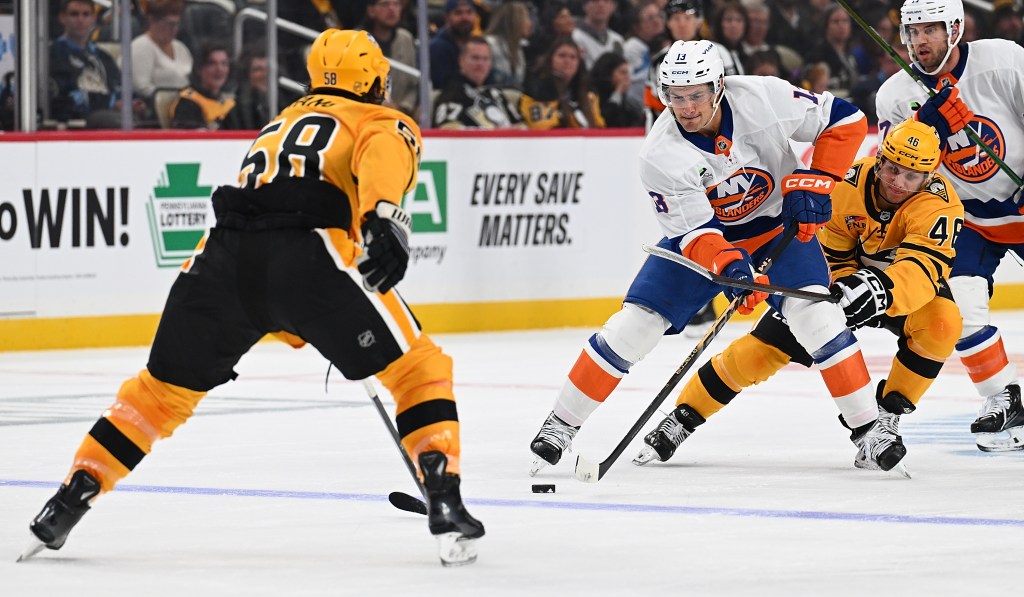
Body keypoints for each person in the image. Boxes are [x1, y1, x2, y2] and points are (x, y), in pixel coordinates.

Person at [20, 29, 484, 567]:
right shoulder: (379, 119)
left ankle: (72, 495)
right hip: (308, 255)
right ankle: (443, 495)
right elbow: (383, 159)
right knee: (417, 371)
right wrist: (386, 219)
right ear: (377, 81)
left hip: (221, 259)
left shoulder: (280, 122)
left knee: (158, 394)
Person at [528, 39, 899, 476]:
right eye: (676, 97)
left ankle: (869, 431)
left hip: (776, 228)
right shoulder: (660, 154)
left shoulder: (763, 96)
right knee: (635, 326)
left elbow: (846, 120)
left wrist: (818, 179)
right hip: (706, 241)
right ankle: (561, 424)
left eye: (696, 96)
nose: (686, 108)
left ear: (718, 86)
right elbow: (696, 234)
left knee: (819, 317)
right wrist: (732, 270)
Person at [634, 118, 964, 470]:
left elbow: (924, 268)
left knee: (943, 324)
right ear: (880, 159)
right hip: (842, 284)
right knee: (760, 352)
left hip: (901, 290)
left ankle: (885, 416)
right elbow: (829, 255)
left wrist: (878, 288)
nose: (898, 182)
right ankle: (683, 417)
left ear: (928, 177)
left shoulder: (940, 205)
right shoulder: (848, 185)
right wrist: (845, 286)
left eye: (911, 176)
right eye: (893, 169)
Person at [876, 0, 1024, 451]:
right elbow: (897, 177)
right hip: (969, 217)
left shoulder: (1003, 60)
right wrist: (927, 127)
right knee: (960, 304)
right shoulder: (895, 95)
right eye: (912, 31)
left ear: (955, 28)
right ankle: (1003, 398)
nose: (919, 41)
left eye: (930, 30)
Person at [49, 0, 143, 128]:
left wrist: (134, 102)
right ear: (62, 17)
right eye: (74, 14)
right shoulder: (54, 54)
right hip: (78, 125)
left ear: (93, 18)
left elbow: (120, 86)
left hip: (112, 120)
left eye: (86, 14)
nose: (80, 20)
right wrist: (111, 104)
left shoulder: (103, 56)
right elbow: (65, 100)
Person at [433, 36, 524, 129]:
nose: (480, 64)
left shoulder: (496, 94)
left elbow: (521, 127)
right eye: (475, 58)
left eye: (485, 59)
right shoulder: (452, 94)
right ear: (461, 61)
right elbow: (447, 130)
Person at [521, 37, 605, 129]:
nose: (567, 61)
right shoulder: (537, 89)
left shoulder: (589, 93)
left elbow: (598, 127)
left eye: (573, 57)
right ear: (550, 59)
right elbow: (543, 127)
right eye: (562, 56)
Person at [131, 0, 192, 117]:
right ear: (151, 20)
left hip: (185, 108)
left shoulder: (181, 48)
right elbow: (141, 88)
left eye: (176, 24)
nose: (173, 29)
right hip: (155, 113)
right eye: (168, 24)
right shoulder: (140, 47)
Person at [360, 0, 418, 118]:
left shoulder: (405, 38)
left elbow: (413, 83)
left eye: (396, 4)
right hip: (365, 114)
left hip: (402, 114)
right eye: (385, 4)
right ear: (371, 11)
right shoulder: (358, 40)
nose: (392, 9)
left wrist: (404, 107)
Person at [170, 43, 239, 130]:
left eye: (224, 63)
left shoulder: (231, 102)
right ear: (199, 69)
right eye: (212, 63)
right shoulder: (187, 102)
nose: (219, 69)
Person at [429, 0, 478, 90]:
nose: (465, 18)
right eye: (458, 13)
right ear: (446, 18)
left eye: (469, 12)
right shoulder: (438, 48)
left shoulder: (478, 45)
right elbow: (442, 86)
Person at [484, 1, 532, 89]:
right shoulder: (489, 45)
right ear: (515, 21)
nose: (530, 24)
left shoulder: (519, 48)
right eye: (526, 18)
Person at [590, 51, 645, 127]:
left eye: (627, 73)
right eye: (622, 73)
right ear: (608, 73)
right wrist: (618, 93)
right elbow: (605, 118)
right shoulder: (593, 93)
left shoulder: (625, 96)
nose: (627, 77)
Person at [572, 0, 625, 70]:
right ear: (585, 6)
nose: (601, 5)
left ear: (613, 7)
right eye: (595, 1)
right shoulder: (574, 36)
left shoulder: (617, 40)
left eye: (606, 1)